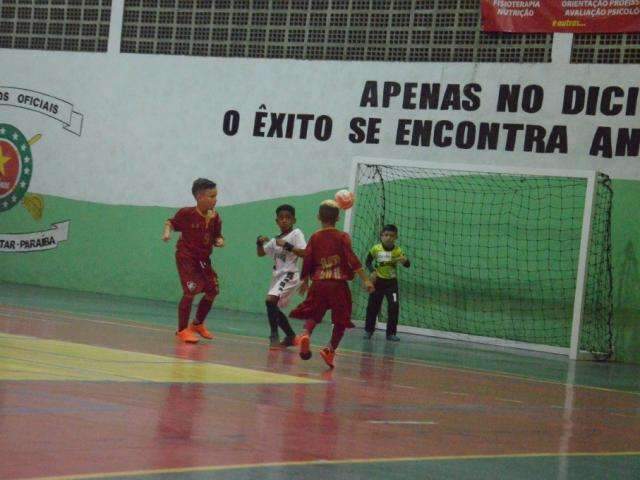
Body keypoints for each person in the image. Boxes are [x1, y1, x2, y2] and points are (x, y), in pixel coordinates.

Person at [286, 200, 374, 368]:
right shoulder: (342, 237)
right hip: (338, 285)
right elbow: (352, 259)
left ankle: (305, 333)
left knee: (314, 312)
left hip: (318, 283)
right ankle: (329, 350)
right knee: (340, 319)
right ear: (338, 218)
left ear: (319, 217)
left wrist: (305, 280)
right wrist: (366, 279)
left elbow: (308, 258)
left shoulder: (315, 237)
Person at [162, 178, 223, 343]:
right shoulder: (186, 214)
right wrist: (167, 233)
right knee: (191, 291)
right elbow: (170, 223)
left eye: (216, 195)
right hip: (187, 258)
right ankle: (182, 330)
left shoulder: (215, 217)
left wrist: (219, 241)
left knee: (212, 290)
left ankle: (197, 324)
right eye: (211, 196)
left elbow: (217, 235)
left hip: (203, 259)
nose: (215, 199)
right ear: (199, 197)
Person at [256, 204, 306, 350]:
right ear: (276, 221)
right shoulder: (275, 240)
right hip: (277, 277)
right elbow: (260, 253)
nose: (284, 220)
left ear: (293, 220)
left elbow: (304, 252)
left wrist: (288, 246)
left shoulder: (296, 234)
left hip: (289, 275)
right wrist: (258, 242)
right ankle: (290, 336)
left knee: (270, 300)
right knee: (272, 306)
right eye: (281, 218)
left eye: (288, 218)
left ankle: (274, 336)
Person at [363, 224, 410, 341]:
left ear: (396, 237)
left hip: (391, 284)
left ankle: (390, 333)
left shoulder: (398, 251)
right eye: (386, 235)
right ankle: (369, 330)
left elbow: (407, 264)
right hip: (378, 282)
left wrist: (405, 261)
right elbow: (368, 262)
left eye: (392, 236)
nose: (388, 238)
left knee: (394, 306)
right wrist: (372, 271)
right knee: (372, 307)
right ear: (381, 236)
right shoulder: (375, 249)